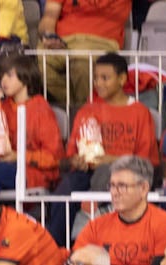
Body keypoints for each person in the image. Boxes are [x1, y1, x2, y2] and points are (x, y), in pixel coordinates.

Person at [49, 51, 159, 246]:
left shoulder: (139, 112)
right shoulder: (87, 110)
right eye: (96, 78)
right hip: (86, 173)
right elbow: (70, 155)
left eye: (105, 78)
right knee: (63, 191)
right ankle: (56, 248)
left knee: (105, 174)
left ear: (122, 79)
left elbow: (145, 160)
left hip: (125, 173)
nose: (98, 83)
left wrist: (111, 159)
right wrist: (76, 160)